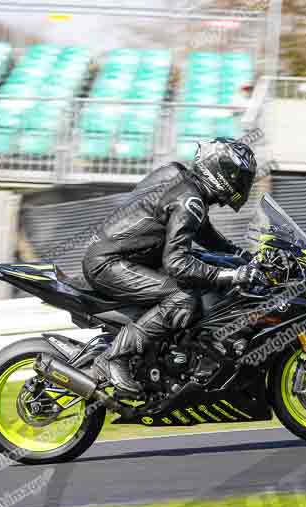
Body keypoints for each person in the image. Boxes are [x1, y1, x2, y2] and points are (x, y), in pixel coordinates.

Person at [82, 137, 266, 396]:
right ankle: (113, 359)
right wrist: (231, 275)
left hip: (124, 257)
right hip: (110, 264)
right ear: (221, 172)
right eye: (238, 176)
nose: (242, 183)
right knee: (182, 299)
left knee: (202, 275)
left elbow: (203, 234)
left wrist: (243, 256)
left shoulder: (185, 185)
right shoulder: (189, 199)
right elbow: (177, 263)